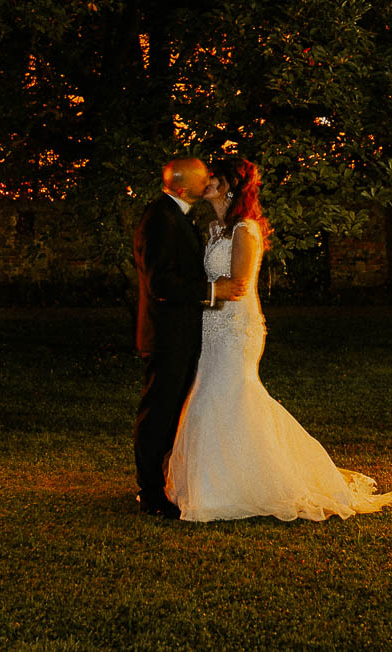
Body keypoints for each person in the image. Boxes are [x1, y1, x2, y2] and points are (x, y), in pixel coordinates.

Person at [165, 158, 392, 521]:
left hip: (235, 328)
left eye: (214, 176)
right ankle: (216, 483)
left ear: (229, 185)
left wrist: (203, 293)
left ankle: (247, 485)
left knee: (227, 395)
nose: (207, 181)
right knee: (211, 395)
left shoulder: (244, 229)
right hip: (212, 326)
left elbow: (239, 286)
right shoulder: (215, 228)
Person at [133, 158, 245, 517]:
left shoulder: (176, 216)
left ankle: (163, 483)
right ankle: (150, 493)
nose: (208, 180)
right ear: (183, 188)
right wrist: (213, 291)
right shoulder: (160, 219)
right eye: (202, 179)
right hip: (166, 336)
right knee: (158, 413)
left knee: (170, 413)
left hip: (180, 334)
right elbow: (161, 283)